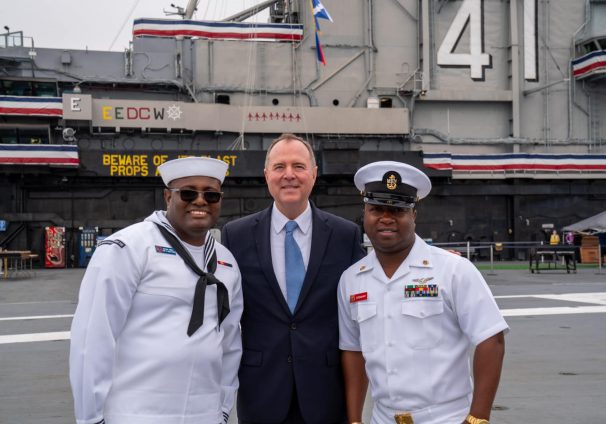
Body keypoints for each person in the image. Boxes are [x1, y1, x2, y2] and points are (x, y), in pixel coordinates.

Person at [70, 157, 243, 424]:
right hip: (136, 413)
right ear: (167, 196)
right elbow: (94, 338)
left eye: (211, 195)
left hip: (204, 414)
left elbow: (230, 342)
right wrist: (90, 417)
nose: (200, 201)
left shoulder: (226, 262)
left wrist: (222, 408)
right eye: (187, 193)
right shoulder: (128, 248)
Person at [338, 161, 508, 424]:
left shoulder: (453, 270)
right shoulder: (351, 280)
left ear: (413, 214)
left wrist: (478, 417)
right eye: (376, 209)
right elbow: (353, 351)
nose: (386, 218)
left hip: (447, 418)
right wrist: (354, 419)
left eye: (397, 209)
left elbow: (491, 339)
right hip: (382, 418)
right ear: (365, 213)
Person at [221, 134, 366, 424]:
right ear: (266, 176)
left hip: (325, 393)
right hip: (261, 392)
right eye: (279, 167)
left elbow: (366, 290)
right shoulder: (235, 236)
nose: (289, 175)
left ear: (314, 174)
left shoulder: (344, 235)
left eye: (298, 166)